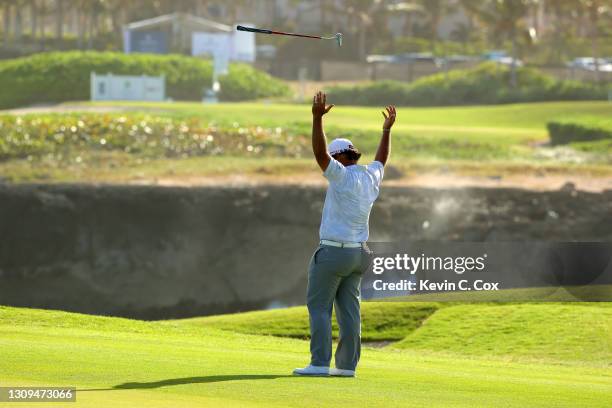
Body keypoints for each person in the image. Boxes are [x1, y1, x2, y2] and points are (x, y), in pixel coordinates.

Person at [293, 91, 396, 377]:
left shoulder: (340, 174)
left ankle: (319, 364)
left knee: (320, 308)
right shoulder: (369, 175)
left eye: (334, 157)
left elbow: (319, 154)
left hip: (334, 252)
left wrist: (316, 120)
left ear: (340, 157)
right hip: (359, 254)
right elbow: (382, 160)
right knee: (350, 312)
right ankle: (347, 367)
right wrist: (385, 131)